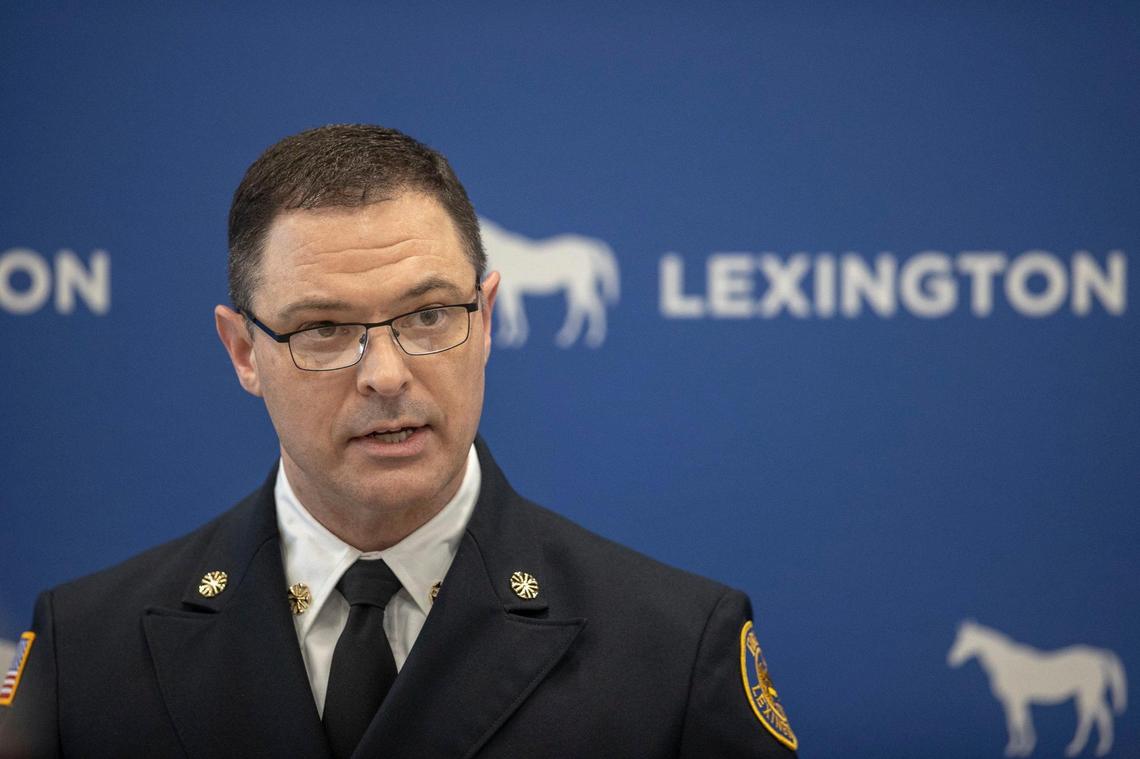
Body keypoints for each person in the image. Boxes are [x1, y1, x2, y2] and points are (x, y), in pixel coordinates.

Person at [0, 125, 798, 758]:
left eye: (427, 316)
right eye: (323, 328)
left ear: (485, 321)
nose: (385, 374)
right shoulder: (87, 651)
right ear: (243, 352)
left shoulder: (672, 649)